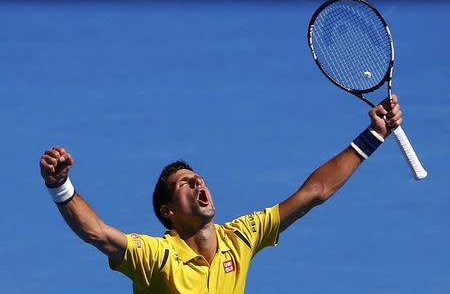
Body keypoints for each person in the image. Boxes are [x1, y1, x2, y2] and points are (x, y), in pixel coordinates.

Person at [39, 95, 402, 293]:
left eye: (199, 179)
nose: (199, 184)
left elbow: (315, 192)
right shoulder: (156, 256)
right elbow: (97, 233)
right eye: (186, 183)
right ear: (168, 211)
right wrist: (59, 185)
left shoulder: (240, 237)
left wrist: (373, 136)